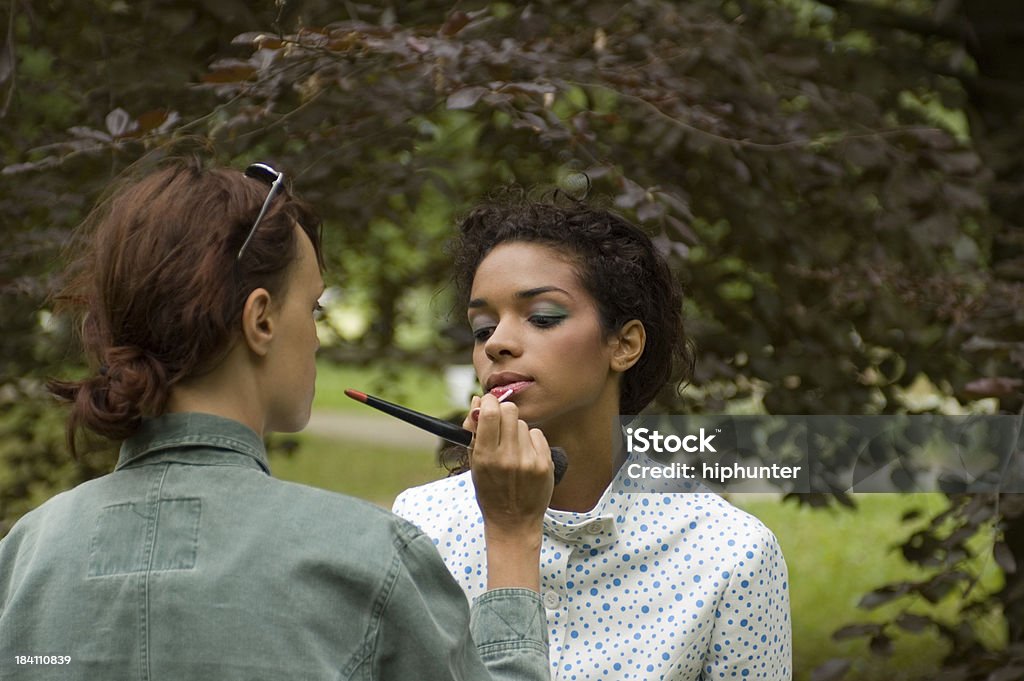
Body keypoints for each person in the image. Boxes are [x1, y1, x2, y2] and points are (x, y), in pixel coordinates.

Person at [0, 158, 556, 680]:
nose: (316, 335)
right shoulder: (368, 559)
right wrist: (510, 535)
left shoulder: (23, 559)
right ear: (260, 320)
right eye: (312, 307)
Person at [394, 193, 792, 680]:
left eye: (542, 317)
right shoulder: (420, 526)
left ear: (624, 344)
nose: (496, 342)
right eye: (482, 328)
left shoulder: (731, 554)